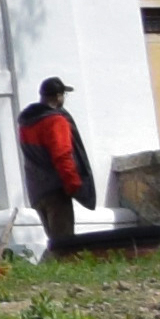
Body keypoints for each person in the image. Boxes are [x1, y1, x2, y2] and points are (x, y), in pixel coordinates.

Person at [17, 76, 98, 255]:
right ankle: (67, 271)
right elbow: (62, 155)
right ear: (58, 96)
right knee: (64, 245)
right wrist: (74, 185)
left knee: (55, 241)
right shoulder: (55, 120)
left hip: (37, 191)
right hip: (56, 191)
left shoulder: (25, 123)